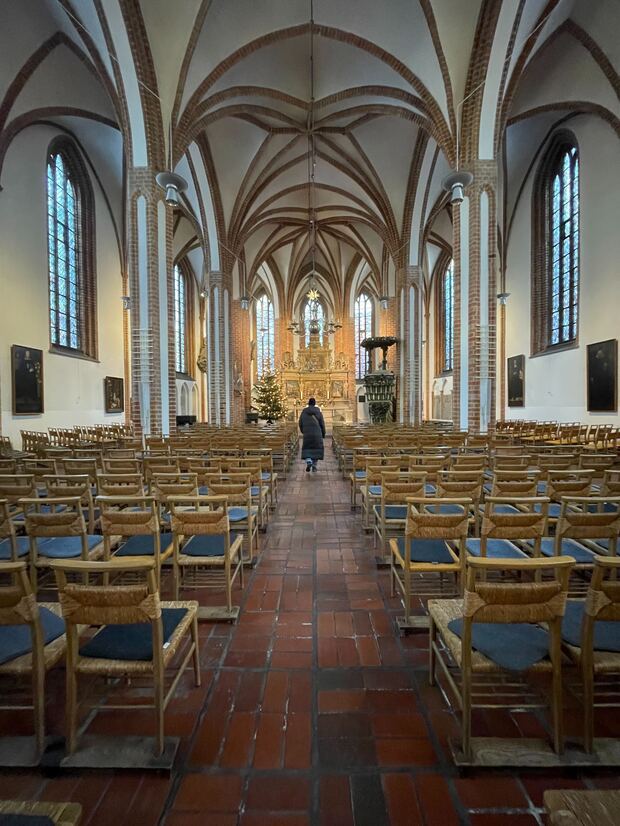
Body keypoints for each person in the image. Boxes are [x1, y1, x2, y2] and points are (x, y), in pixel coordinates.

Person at [299, 397, 325, 473]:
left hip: (307, 433)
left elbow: (300, 423)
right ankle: (314, 466)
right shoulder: (318, 412)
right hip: (317, 434)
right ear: (315, 403)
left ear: (308, 403)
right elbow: (322, 424)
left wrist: (303, 431)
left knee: (307, 449)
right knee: (316, 450)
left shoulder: (304, 412)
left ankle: (308, 461)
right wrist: (323, 433)